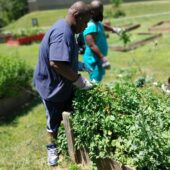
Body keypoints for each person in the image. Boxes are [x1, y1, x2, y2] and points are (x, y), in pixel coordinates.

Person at [33, 1, 92, 166]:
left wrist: (79, 65)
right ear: (76, 16)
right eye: (85, 21)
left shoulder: (67, 29)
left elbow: (64, 59)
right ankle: (52, 148)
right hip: (51, 88)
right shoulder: (63, 32)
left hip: (62, 84)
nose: (86, 26)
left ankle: (71, 143)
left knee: (69, 112)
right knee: (53, 121)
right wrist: (79, 80)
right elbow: (57, 63)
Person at [82, 0, 122, 82]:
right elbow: (91, 45)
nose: (101, 12)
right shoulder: (90, 26)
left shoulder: (96, 22)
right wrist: (102, 58)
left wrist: (113, 29)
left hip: (97, 59)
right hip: (93, 60)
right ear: (93, 12)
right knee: (95, 81)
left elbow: (102, 25)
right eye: (100, 11)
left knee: (98, 78)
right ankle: (92, 94)